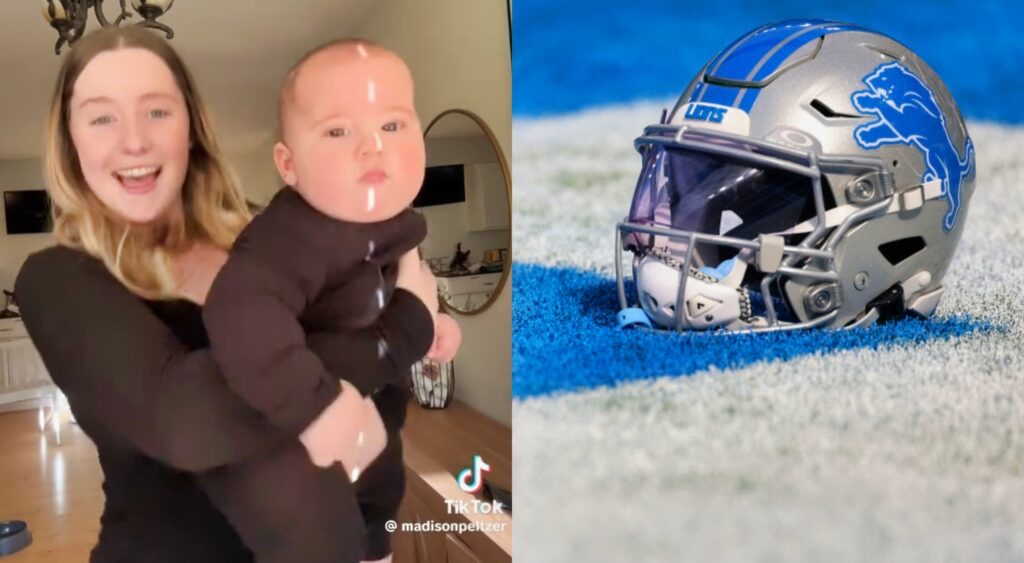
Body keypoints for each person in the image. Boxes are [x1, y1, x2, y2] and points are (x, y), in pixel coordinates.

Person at [14, 27, 446, 563]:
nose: (134, 141)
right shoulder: (57, 279)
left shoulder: (267, 238)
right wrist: (406, 326)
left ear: (190, 128)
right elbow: (188, 425)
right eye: (102, 117)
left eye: (157, 111)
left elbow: (358, 324)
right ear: (70, 141)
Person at [196, 39, 463, 563]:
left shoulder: (395, 224)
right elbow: (239, 313)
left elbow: (396, 289)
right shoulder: (289, 236)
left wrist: (435, 321)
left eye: (392, 125)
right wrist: (313, 406)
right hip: (299, 448)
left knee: (381, 505)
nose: (372, 147)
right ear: (289, 165)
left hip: (376, 433)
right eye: (338, 131)